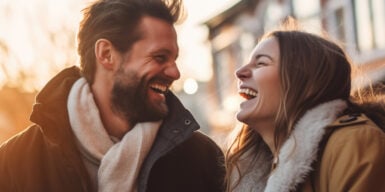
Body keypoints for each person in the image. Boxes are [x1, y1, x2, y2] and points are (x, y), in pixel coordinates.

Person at [0, 0, 225, 191]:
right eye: (159, 57)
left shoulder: (202, 160)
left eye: (174, 59)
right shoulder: (12, 164)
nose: (175, 72)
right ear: (107, 54)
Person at [225, 26, 385, 191]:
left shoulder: (353, 142)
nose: (239, 72)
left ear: (305, 82)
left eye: (261, 63)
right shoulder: (250, 170)